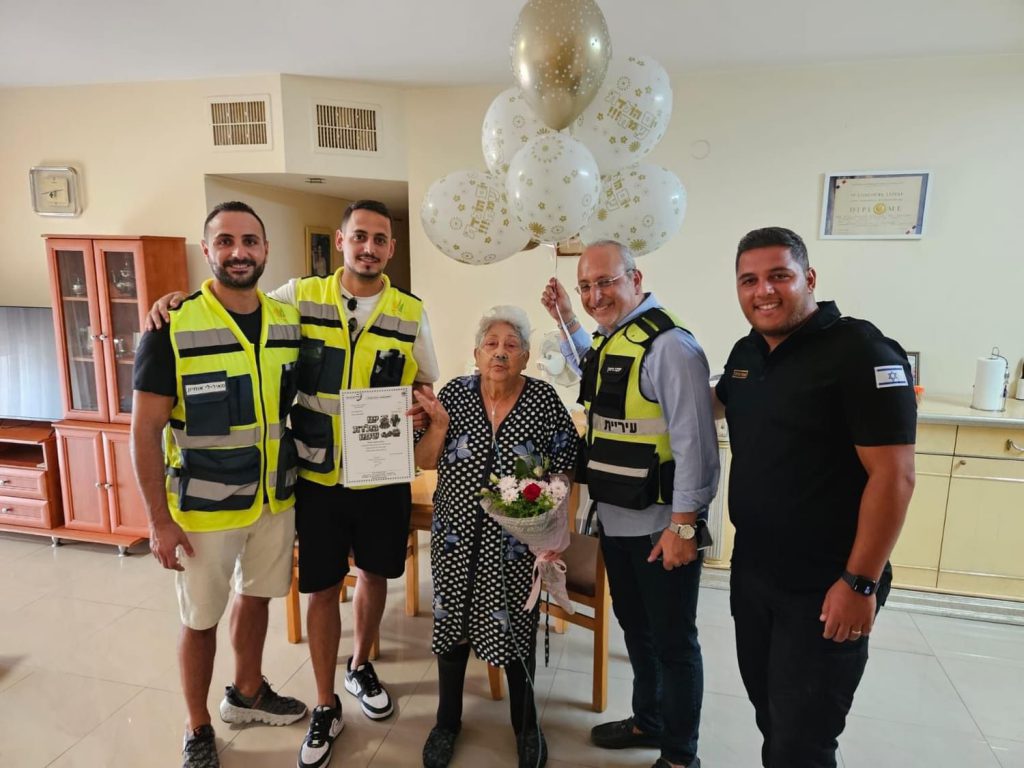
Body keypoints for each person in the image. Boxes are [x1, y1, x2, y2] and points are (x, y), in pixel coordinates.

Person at [149, 200, 440, 768]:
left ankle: (361, 667)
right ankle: (326, 702)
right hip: (314, 474)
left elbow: (426, 381)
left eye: (381, 239)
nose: (369, 248)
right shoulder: (299, 297)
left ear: (392, 249)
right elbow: (238, 300)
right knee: (322, 586)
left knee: (376, 573)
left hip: (380, 474)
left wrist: (420, 409)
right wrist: (178, 299)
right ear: (340, 240)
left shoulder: (411, 311)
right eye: (360, 236)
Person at [713, 226, 916, 768]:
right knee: (770, 715)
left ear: (809, 278)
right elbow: (711, 403)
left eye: (779, 275)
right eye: (749, 280)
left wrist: (860, 582)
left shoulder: (861, 351)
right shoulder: (746, 353)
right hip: (754, 573)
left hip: (827, 583)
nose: (764, 291)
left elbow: (894, 477)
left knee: (803, 740)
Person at [130, 201, 308, 768]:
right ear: (207, 250)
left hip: (274, 499)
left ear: (265, 250)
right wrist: (158, 520)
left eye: (250, 241)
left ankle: (248, 693)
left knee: (257, 597)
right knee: (200, 619)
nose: (239, 252)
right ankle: (197, 724)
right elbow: (144, 431)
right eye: (225, 241)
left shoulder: (287, 322)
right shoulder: (171, 327)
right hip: (203, 511)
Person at [541, 241, 719, 768]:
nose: (596, 295)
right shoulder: (617, 337)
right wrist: (566, 317)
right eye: (585, 286)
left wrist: (683, 528)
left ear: (636, 280)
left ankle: (680, 755)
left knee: (674, 644)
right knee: (638, 631)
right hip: (617, 521)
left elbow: (696, 444)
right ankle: (649, 720)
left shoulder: (671, 346)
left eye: (606, 282)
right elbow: (593, 366)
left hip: (662, 527)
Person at [413, 305, 580, 768]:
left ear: (525, 357)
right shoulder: (455, 395)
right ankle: (446, 724)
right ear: (476, 354)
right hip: (454, 537)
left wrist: (551, 511)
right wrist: (439, 427)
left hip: (515, 545)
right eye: (491, 344)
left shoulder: (543, 400)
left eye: (511, 345)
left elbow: (566, 463)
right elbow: (425, 461)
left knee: (516, 632)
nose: (500, 353)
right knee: (451, 627)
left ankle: (526, 727)